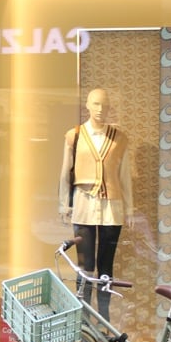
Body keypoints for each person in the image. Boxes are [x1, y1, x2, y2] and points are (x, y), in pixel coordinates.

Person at [58, 88, 132, 318]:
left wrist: (130, 207)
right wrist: (64, 203)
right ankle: (84, 319)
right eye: (96, 104)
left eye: (105, 105)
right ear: (87, 105)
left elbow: (124, 175)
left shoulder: (119, 138)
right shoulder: (74, 135)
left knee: (106, 265)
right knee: (85, 265)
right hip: (84, 202)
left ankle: (104, 317)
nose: (101, 109)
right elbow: (65, 172)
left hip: (112, 206)